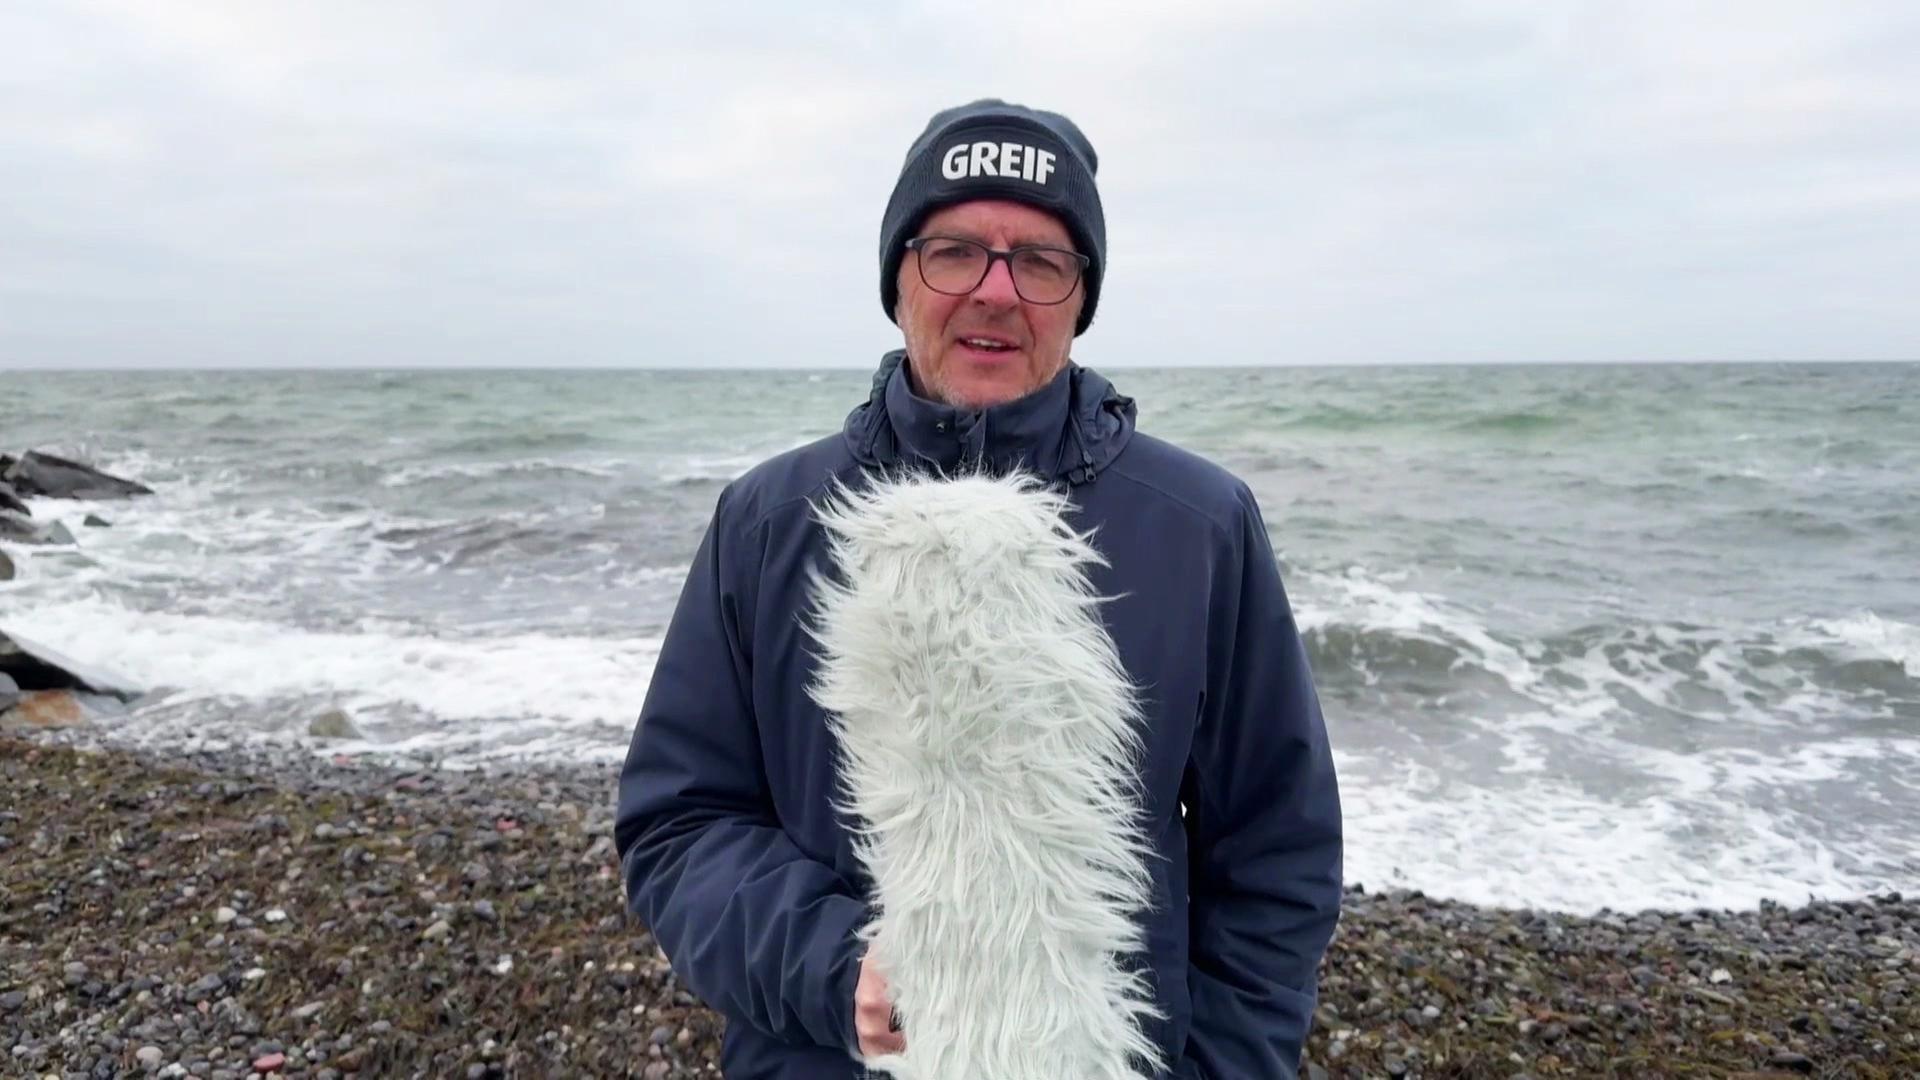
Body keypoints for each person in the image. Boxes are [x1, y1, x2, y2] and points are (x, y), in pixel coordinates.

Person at [615, 98, 1343, 1079]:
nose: (995, 292)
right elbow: (679, 823)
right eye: (955, 251)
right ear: (899, 279)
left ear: (1080, 297)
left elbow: (1275, 852)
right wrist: (834, 969)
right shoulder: (769, 520)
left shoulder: (1201, 522)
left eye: (1040, 261)